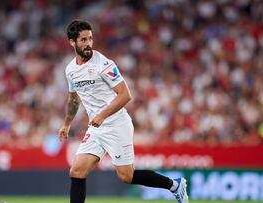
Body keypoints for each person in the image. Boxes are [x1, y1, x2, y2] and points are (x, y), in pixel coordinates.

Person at [58, 19, 189, 203]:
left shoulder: (103, 64)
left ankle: (174, 185)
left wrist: (102, 115)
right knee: (77, 171)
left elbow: (125, 95)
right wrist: (67, 124)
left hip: (116, 125)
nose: (88, 44)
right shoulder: (70, 70)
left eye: (90, 39)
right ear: (72, 42)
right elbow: (73, 99)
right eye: (83, 40)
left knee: (127, 176)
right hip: (96, 128)